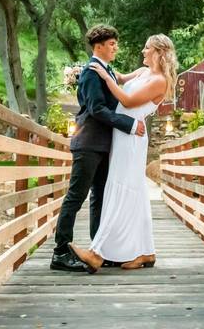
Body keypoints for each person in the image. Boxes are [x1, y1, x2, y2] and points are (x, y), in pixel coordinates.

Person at [71, 34, 177, 271]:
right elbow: (118, 76)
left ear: (159, 53)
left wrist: (106, 81)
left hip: (132, 137)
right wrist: (95, 67)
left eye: (147, 48)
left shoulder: (160, 81)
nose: (143, 51)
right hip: (122, 133)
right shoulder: (143, 72)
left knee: (120, 188)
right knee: (133, 190)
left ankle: (96, 252)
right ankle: (146, 251)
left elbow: (128, 101)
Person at [50, 25, 147, 272]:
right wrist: (129, 124)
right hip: (89, 143)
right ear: (99, 46)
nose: (116, 47)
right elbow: (96, 109)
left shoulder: (107, 70)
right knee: (76, 197)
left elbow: (121, 81)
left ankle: (98, 251)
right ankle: (60, 252)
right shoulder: (93, 72)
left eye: (116, 43)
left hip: (104, 145)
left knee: (100, 199)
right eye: (112, 44)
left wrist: (145, 71)